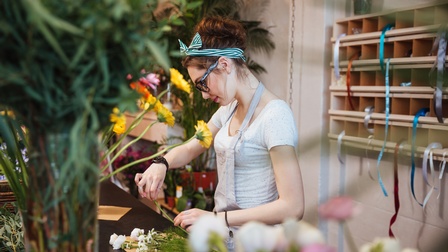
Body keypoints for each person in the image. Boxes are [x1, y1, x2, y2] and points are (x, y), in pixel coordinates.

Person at [135, 16, 304, 249]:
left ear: (224, 65)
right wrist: (160, 163)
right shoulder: (229, 109)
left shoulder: (275, 116)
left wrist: (217, 218)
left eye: (202, 84)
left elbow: (293, 207)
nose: (204, 95)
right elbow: (192, 146)